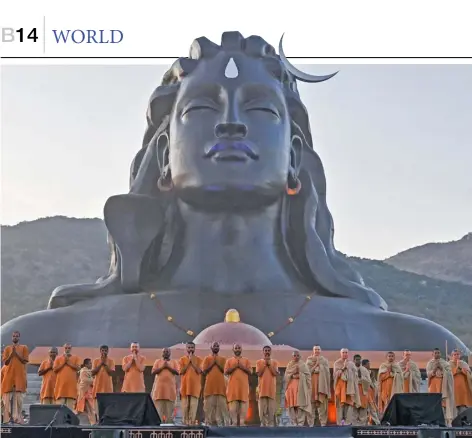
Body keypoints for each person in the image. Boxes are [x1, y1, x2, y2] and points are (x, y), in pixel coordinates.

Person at [1, 331, 29, 423]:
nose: (15, 338)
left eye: (17, 336)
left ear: (19, 338)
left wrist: (16, 354)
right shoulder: (7, 348)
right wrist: (11, 354)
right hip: (8, 378)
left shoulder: (24, 348)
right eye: (14, 336)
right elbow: (6, 362)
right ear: (12, 338)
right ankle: (7, 420)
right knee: (7, 402)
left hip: (19, 378)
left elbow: (24, 361)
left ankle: (17, 419)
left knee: (19, 401)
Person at [427, 348, 456, 426]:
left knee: (443, 403)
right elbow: (428, 374)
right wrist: (435, 369)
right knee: (433, 402)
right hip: (433, 385)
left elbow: (450, 374)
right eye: (435, 353)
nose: (437, 354)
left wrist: (442, 368)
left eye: (438, 353)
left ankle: (445, 421)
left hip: (443, 386)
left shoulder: (445, 363)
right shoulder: (430, 363)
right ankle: (433, 421)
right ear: (432, 354)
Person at [225, 343, 252, 426]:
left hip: (243, 387)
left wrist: (241, 366)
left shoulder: (246, 360)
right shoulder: (229, 361)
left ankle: (242, 422)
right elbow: (226, 372)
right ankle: (233, 422)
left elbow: (250, 372)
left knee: (243, 405)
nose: (237, 349)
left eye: (239, 348)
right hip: (232, 388)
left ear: (241, 349)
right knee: (233, 406)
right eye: (236, 348)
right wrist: (235, 366)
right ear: (233, 350)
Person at [202, 342, 228, 426]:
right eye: (214, 346)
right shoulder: (207, 358)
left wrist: (217, 362)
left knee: (222, 411)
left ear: (219, 348)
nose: (216, 347)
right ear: (211, 347)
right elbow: (204, 371)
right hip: (209, 389)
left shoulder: (223, 359)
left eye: (217, 346)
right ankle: (208, 426)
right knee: (208, 411)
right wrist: (213, 363)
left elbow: (224, 371)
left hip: (221, 390)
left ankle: (224, 427)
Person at [151, 347, 179, 423]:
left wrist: (168, 367)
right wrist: (163, 366)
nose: (166, 353)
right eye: (164, 352)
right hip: (159, 393)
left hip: (170, 393)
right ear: (162, 353)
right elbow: (153, 372)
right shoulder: (158, 361)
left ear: (170, 353)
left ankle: (169, 432)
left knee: (169, 417)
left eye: (167, 352)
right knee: (158, 415)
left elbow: (177, 372)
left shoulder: (174, 362)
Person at [333, 348, 360, 425]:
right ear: (340, 353)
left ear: (348, 354)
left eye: (346, 352)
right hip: (341, 387)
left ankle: (348, 423)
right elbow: (335, 375)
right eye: (343, 352)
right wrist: (344, 367)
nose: (345, 354)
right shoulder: (337, 363)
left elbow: (356, 375)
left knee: (350, 404)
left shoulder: (351, 363)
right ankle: (339, 423)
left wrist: (351, 374)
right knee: (340, 405)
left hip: (350, 387)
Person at [284, 350, 311, 426]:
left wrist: (300, 375)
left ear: (300, 356)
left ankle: (300, 423)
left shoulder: (303, 365)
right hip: (291, 389)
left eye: (297, 355)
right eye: (294, 355)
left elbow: (308, 376)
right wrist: (293, 372)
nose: (296, 357)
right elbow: (286, 376)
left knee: (300, 406)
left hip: (301, 389)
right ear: (292, 357)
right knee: (291, 406)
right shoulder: (289, 364)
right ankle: (293, 423)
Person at [306, 345, 330, 427]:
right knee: (311, 406)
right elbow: (307, 373)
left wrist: (321, 367)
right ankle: (310, 425)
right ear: (313, 350)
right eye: (315, 349)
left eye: (318, 349)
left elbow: (327, 374)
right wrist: (316, 365)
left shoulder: (324, 361)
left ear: (321, 350)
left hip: (322, 387)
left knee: (322, 407)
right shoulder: (309, 360)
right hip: (312, 387)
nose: (317, 351)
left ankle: (323, 424)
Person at [179, 341, 203, 425]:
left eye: (192, 347)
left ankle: (192, 423)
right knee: (185, 407)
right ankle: (185, 423)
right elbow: (181, 371)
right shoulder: (182, 359)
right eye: (189, 347)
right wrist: (188, 361)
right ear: (186, 348)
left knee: (193, 407)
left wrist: (192, 361)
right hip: (185, 388)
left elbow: (199, 371)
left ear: (195, 348)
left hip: (195, 388)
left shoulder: (199, 359)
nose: (190, 349)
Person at [256, 345, 279, 426]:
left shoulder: (274, 362)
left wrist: (269, 365)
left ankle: (271, 428)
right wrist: (265, 364)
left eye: (268, 350)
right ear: (263, 352)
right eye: (265, 350)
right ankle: (263, 427)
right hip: (262, 390)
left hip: (271, 390)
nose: (267, 352)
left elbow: (275, 373)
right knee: (262, 412)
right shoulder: (259, 362)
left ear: (270, 352)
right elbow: (259, 374)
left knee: (271, 411)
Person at [53, 343, 81, 409]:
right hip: (61, 388)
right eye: (66, 348)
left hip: (71, 388)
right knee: (59, 409)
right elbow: (55, 369)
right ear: (64, 348)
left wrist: (68, 363)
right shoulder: (58, 358)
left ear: (71, 349)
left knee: (70, 410)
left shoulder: (76, 358)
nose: (67, 349)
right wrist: (63, 363)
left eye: (69, 348)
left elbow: (78, 368)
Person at [91, 345, 115, 415]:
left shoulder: (111, 361)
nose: (104, 352)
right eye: (102, 350)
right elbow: (93, 372)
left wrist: (104, 364)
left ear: (108, 351)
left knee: (107, 409)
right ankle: (98, 423)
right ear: (100, 351)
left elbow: (111, 373)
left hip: (107, 389)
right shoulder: (96, 361)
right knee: (97, 409)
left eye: (105, 351)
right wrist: (100, 363)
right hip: (97, 388)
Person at [449, 349, 472, 414]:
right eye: (454, 355)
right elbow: (447, 374)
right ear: (452, 356)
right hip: (453, 388)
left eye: (457, 354)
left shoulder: (464, 363)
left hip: (463, 389)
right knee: (454, 405)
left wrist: (462, 370)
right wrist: (456, 370)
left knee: (463, 406)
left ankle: (463, 421)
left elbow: (469, 373)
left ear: (460, 355)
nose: (456, 356)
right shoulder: (448, 364)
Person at [76, 358, 97, 425]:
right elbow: (84, 380)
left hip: (88, 393)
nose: (91, 365)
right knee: (88, 410)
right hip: (85, 393)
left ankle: (91, 424)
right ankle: (92, 424)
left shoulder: (88, 371)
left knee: (89, 410)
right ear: (86, 364)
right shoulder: (83, 371)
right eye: (90, 363)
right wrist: (94, 380)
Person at [353, 354, 371, 426]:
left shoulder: (364, 370)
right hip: (354, 393)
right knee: (354, 412)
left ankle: (362, 428)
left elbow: (369, 381)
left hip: (363, 393)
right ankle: (354, 428)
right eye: (357, 359)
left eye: (359, 359)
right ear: (354, 360)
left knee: (363, 412)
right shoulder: (351, 369)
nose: (358, 361)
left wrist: (361, 378)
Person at [362, 359, 380, 425]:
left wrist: (372, 378)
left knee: (372, 408)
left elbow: (374, 383)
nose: (369, 365)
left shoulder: (371, 372)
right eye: (368, 364)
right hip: (364, 393)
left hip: (370, 393)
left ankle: (377, 423)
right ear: (364, 365)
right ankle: (365, 423)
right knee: (365, 409)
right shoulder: (361, 371)